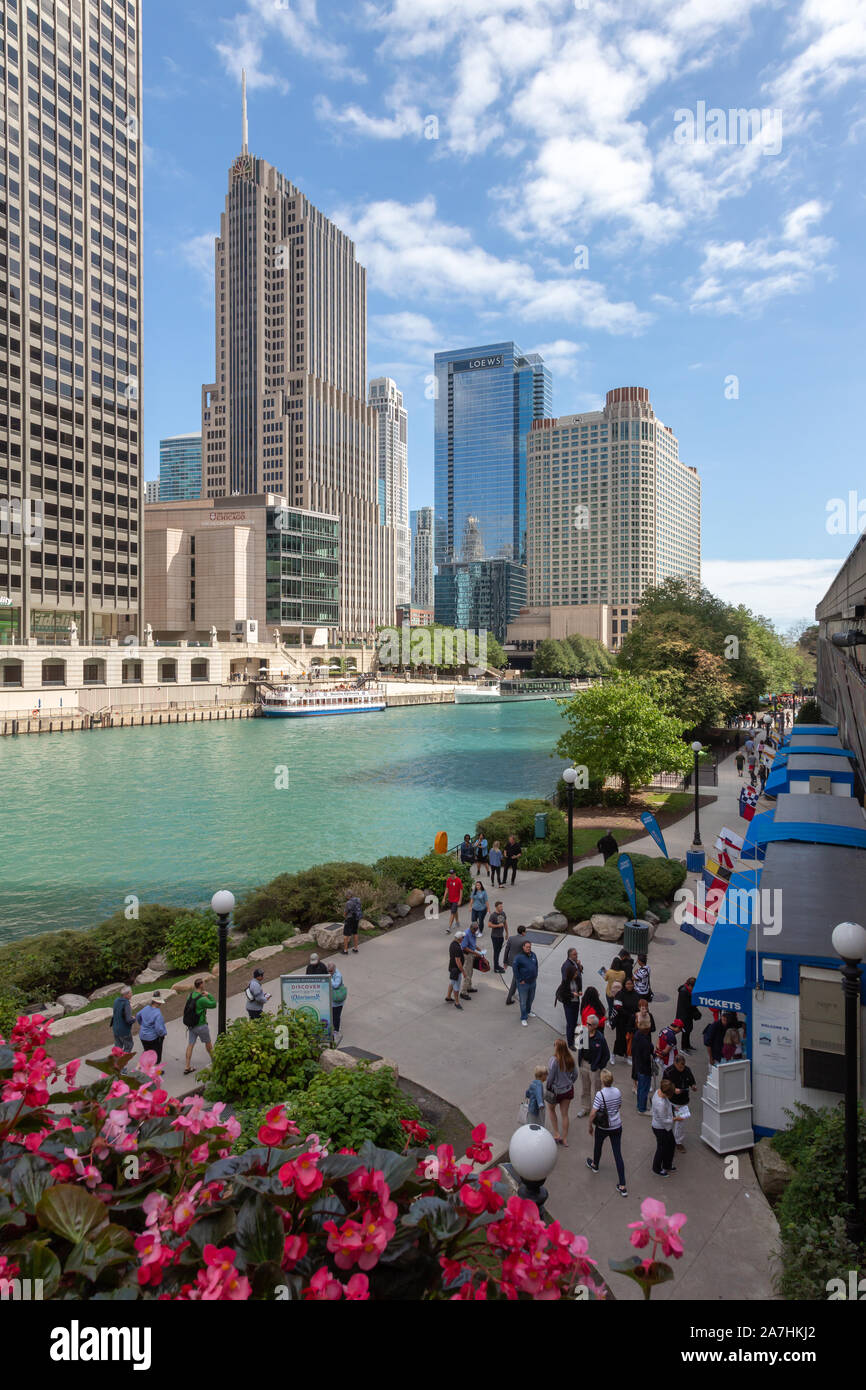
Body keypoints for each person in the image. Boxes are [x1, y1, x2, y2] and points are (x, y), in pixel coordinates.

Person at [587, 1068, 627, 1196]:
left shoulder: (600, 1094)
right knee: (617, 1154)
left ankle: (595, 1164)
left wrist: (590, 1125)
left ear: (603, 1081)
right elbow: (619, 1105)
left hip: (603, 1127)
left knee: (598, 1146)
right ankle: (622, 1185)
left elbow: (593, 1113)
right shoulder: (617, 1091)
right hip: (616, 1126)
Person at [545, 1039, 578, 1146]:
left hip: (556, 1091)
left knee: (551, 1109)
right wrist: (570, 1082)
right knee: (565, 1114)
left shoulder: (554, 1060)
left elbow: (550, 1078)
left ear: (557, 1048)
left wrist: (548, 1087)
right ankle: (564, 1138)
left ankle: (556, 1133)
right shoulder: (570, 1059)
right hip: (568, 1090)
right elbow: (575, 1074)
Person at [578, 1013, 610, 1115]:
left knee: (597, 1090)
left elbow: (606, 1055)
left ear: (595, 1026)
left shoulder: (600, 1038)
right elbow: (581, 1048)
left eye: (589, 1024)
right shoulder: (584, 1033)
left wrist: (599, 1067)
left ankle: (597, 1110)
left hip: (594, 1067)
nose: (587, 1025)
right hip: (584, 1064)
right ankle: (585, 1108)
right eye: (587, 1023)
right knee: (585, 1088)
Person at [664, 1053, 697, 1151]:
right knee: (669, 1121)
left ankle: (678, 1141)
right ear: (675, 1063)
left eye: (683, 1066)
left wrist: (693, 1086)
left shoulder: (687, 1070)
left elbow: (691, 1081)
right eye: (679, 1067)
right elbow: (664, 1087)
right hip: (671, 1101)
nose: (681, 1069)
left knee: (681, 1123)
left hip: (683, 1102)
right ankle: (667, 1140)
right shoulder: (668, 1072)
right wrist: (674, 1090)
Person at [183, 979, 216, 1075]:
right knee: (208, 1044)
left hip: (191, 1026)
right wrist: (208, 995)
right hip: (201, 1025)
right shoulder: (202, 999)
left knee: (190, 1045)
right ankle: (215, 1062)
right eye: (203, 983)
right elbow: (213, 1004)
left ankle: (187, 1066)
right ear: (201, 985)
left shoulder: (189, 995)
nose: (204, 984)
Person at [555, 947, 583, 1049]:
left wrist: (579, 991)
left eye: (577, 954)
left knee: (574, 1020)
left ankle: (572, 1029)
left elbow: (580, 973)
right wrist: (573, 994)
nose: (577, 956)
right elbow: (565, 993)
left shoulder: (577, 978)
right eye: (575, 954)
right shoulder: (566, 967)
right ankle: (570, 1043)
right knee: (570, 1023)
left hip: (576, 1001)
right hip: (569, 1002)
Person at [651, 1079, 677, 1176]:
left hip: (662, 1127)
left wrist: (673, 1107)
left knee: (670, 1144)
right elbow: (664, 1120)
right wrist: (675, 1119)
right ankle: (656, 1168)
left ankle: (667, 1164)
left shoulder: (659, 1091)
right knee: (662, 1148)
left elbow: (667, 1103)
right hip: (660, 1128)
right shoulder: (660, 1104)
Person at [613, 976, 640, 1061]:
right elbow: (618, 1007)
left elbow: (639, 1006)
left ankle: (627, 1055)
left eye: (631, 984)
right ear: (624, 985)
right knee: (620, 1039)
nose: (630, 985)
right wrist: (629, 1015)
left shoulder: (636, 994)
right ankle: (614, 1054)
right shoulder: (620, 994)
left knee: (629, 1039)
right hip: (621, 1021)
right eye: (628, 984)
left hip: (631, 1022)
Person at [513, 938, 539, 1025]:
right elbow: (515, 970)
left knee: (531, 998)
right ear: (523, 947)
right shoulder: (518, 957)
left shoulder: (533, 955)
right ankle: (523, 1017)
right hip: (523, 984)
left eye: (530, 947)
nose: (529, 948)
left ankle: (528, 1011)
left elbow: (536, 966)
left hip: (533, 982)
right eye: (527, 947)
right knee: (523, 1001)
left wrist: (536, 975)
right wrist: (520, 980)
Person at [135, 992, 167, 1063]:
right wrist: (163, 1034)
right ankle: (155, 1072)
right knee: (156, 1057)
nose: (160, 1004)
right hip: (153, 1038)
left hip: (143, 1036)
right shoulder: (157, 1013)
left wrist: (142, 1024)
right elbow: (159, 1029)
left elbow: (137, 1015)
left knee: (147, 1053)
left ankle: (146, 1069)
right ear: (157, 1002)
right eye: (160, 1002)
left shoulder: (146, 1008)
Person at [632, 1017, 654, 1114]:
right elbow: (646, 1057)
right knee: (644, 1088)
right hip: (645, 1068)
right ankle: (642, 1108)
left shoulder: (637, 1035)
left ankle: (639, 1105)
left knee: (641, 1087)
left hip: (638, 1065)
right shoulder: (645, 1041)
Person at [503, 924, 527, 1005]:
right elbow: (526, 953)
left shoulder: (511, 938)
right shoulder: (525, 940)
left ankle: (513, 994)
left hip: (511, 961)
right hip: (519, 964)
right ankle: (509, 998)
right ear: (523, 932)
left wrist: (505, 962)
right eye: (525, 932)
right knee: (515, 980)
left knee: (516, 979)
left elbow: (506, 950)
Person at [675, 977, 700, 1052]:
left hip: (687, 1015)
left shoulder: (687, 990)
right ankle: (683, 1047)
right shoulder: (684, 992)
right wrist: (696, 1003)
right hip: (684, 1016)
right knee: (685, 1031)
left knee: (688, 1030)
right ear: (690, 986)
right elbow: (688, 1005)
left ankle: (688, 1045)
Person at [327, 960, 347, 1041]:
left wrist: (329, 977)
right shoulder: (330, 972)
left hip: (337, 1001)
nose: (329, 972)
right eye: (328, 971)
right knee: (331, 1015)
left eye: (331, 971)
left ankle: (336, 1031)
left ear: (334, 969)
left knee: (336, 1016)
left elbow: (335, 985)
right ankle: (332, 1028)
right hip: (331, 999)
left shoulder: (338, 975)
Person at [111, 986, 135, 1051]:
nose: (132, 994)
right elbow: (128, 1020)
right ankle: (123, 1060)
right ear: (126, 994)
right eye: (131, 993)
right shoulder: (126, 1003)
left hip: (115, 1028)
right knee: (129, 1045)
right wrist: (134, 1019)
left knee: (118, 1047)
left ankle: (116, 1060)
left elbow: (116, 1013)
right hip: (124, 1030)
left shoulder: (116, 1000)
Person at [459, 921, 479, 998]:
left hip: (472, 954)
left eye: (477, 930)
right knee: (467, 972)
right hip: (467, 956)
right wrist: (474, 952)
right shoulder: (466, 934)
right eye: (475, 930)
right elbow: (464, 947)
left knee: (471, 971)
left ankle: (469, 987)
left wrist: (478, 949)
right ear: (472, 928)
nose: (476, 932)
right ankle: (463, 992)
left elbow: (472, 944)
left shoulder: (473, 932)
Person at [488, 900, 508, 973]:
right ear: (496, 907)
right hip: (495, 936)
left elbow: (505, 923)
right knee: (496, 952)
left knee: (499, 951)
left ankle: (497, 965)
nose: (501, 908)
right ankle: (496, 968)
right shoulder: (493, 915)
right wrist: (497, 925)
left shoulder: (503, 913)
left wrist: (507, 933)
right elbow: (489, 925)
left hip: (501, 936)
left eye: (502, 906)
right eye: (500, 907)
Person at [604, 956, 627, 1021]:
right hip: (619, 994)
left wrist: (605, 973)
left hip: (610, 993)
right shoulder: (623, 973)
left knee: (610, 1007)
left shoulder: (609, 972)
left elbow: (605, 979)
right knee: (618, 1007)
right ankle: (618, 1019)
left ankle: (610, 1020)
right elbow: (623, 980)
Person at [446, 931, 465, 1009]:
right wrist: (463, 971)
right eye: (463, 938)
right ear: (459, 938)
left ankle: (448, 996)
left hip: (451, 967)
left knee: (452, 982)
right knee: (456, 986)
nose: (463, 939)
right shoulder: (457, 948)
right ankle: (457, 1002)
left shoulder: (452, 944)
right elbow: (458, 961)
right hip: (456, 970)